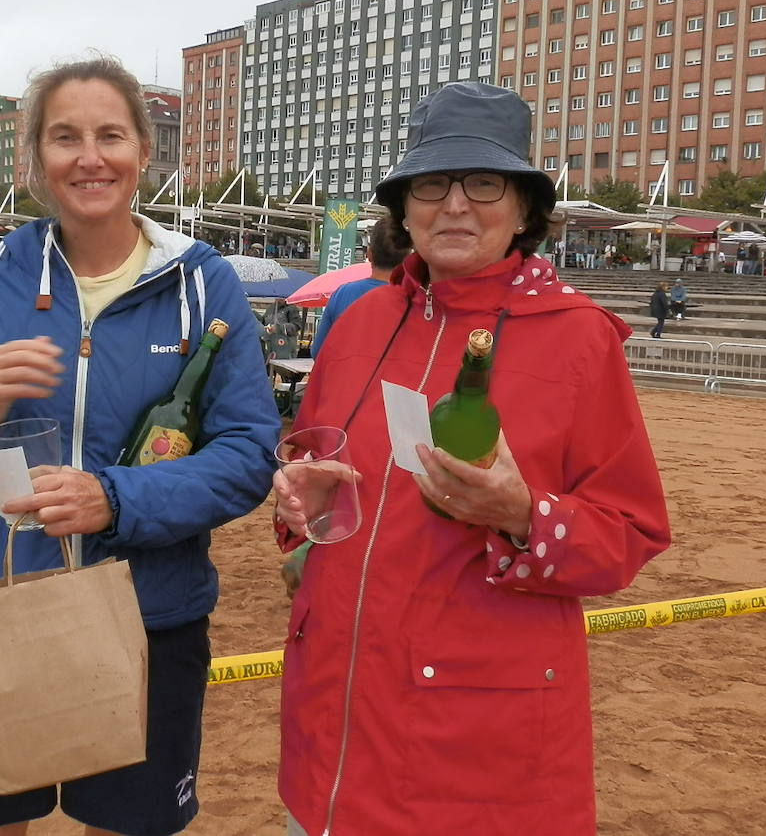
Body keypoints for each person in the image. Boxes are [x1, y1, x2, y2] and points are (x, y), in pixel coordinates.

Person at [0, 56, 279, 836]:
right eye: (65, 137)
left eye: (110, 135)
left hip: (149, 614)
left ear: (143, 152)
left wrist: (114, 500)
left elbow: (247, 455)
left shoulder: (203, 286)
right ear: (36, 158)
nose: (89, 157)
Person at [270, 82, 670, 836]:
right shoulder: (358, 322)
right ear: (405, 206)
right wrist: (299, 501)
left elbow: (631, 532)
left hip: (475, 760)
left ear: (523, 207)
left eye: (483, 183)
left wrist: (524, 515)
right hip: (333, 737)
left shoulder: (580, 339)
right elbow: (313, 470)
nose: (454, 204)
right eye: (431, 183)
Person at [309, 222, 410, 360]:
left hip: (346, 379)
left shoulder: (342, 294)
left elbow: (318, 352)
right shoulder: (417, 301)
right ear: (407, 258)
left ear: (369, 254)